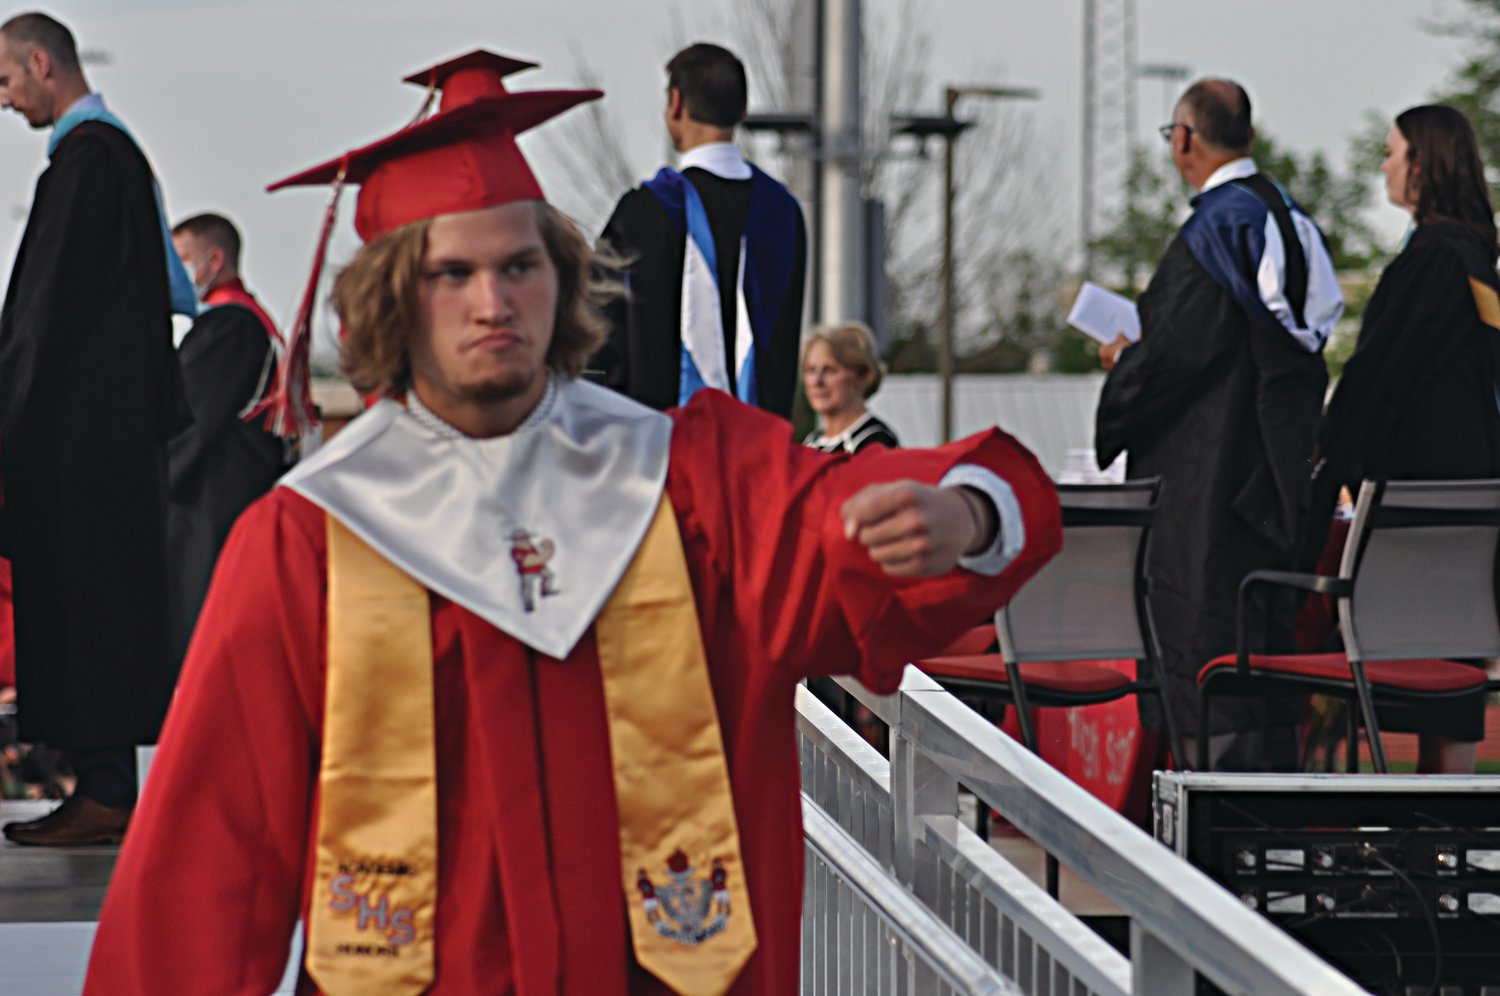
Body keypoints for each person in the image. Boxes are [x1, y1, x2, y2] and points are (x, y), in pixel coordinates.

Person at [84, 51, 1061, 994]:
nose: (494, 304)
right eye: (450, 276)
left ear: (563, 278)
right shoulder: (313, 537)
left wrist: (966, 512)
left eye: (520, 266)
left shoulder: (690, 480)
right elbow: (211, 858)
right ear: (391, 300)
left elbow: (856, 524)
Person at [1094, 78, 1343, 772]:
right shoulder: (1293, 225)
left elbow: (1173, 355)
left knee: (1205, 646)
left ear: (1183, 140)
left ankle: (1214, 849)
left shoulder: (1214, 232)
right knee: (1264, 650)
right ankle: (1270, 836)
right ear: (1251, 139)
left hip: (1203, 479)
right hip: (1270, 478)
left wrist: (1124, 369)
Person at [0, 12, 187, 846]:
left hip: (79, 444)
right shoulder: (116, 160)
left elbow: (43, 317)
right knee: (94, 605)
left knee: (89, 607)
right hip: (99, 440)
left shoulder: (91, 160)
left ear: (43, 63)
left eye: (5, 80)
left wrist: (10, 415)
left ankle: (107, 788)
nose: (5, 101)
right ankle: (102, 783)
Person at [1312, 104, 1500, 774]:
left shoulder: (1431, 262)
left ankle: (1410, 851)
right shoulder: (1477, 258)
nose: (1385, 165)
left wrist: (1326, 454)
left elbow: (1379, 379)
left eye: (1393, 153)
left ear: (1423, 163)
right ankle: (1446, 844)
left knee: (1413, 669)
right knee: (1457, 668)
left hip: (1414, 508)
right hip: (1473, 501)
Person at [595, 42, 807, 419]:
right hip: (762, 451)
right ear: (742, 110)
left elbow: (601, 335)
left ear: (675, 103)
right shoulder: (785, 215)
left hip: (659, 452)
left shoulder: (642, 213)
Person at [167, 212, 288, 670]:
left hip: (209, 506)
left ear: (214, 260)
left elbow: (188, 426)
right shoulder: (251, 319)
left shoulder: (231, 325)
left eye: (183, 260)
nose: (175, 273)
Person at [801, 322, 900, 455]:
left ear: (862, 376)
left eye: (830, 370)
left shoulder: (877, 443)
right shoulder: (811, 442)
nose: (817, 381)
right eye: (811, 370)